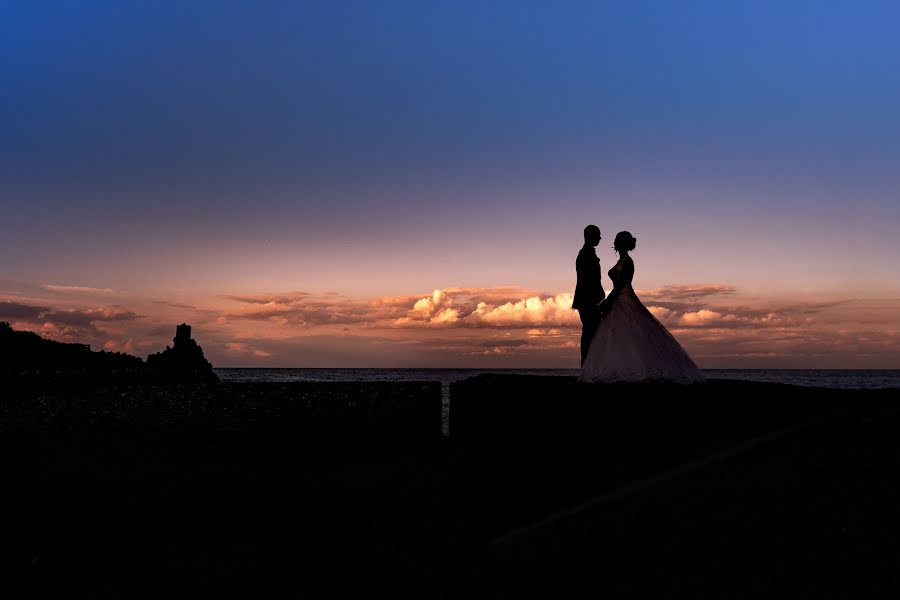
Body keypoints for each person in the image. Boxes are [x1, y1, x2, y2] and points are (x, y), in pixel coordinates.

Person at [581, 231, 704, 383]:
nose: (615, 243)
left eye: (618, 241)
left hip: (623, 298)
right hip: (617, 298)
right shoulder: (623, 260)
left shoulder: (628, 262)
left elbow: (620, 286)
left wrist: (608, 301)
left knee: (631, 332)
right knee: (619, 334)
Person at [572, 224, 606, 367]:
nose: (600, 238)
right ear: (590, 236)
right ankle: (587, 365)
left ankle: (589, 364)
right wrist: (596, 299)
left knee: (591, 332)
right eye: (598, 235)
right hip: (588, 300)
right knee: (589, 332)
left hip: (588, 299)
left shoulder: (587, 253)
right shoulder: (585, 254)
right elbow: (587, 280)